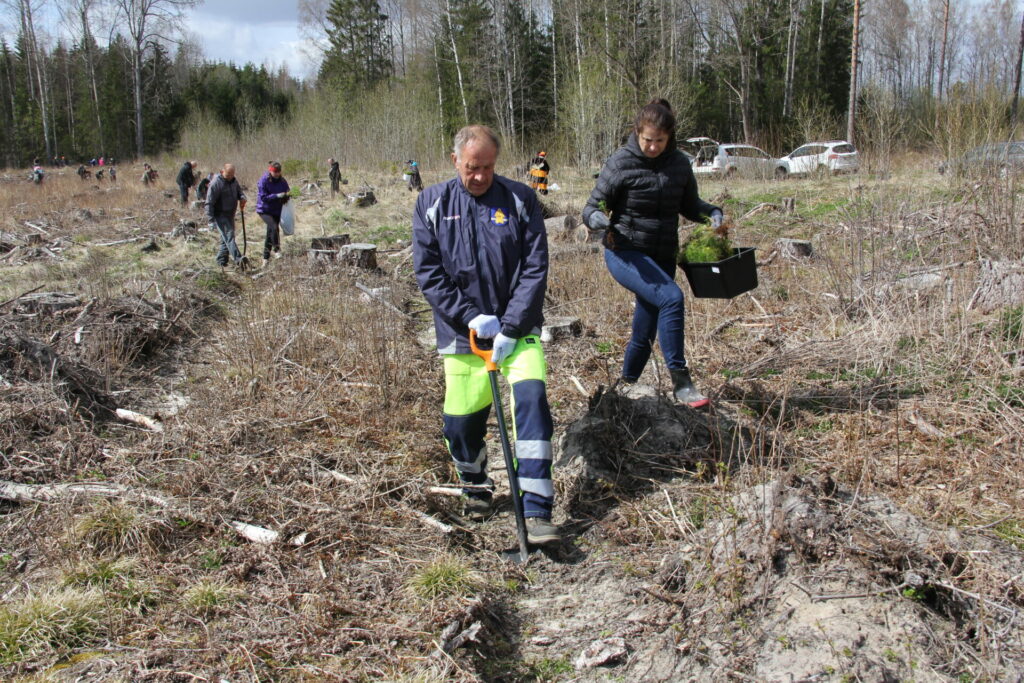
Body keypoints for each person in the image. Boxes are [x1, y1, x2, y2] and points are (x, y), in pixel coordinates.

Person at [412, 125, 559, 546]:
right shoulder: (431, 203)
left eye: (488, 167)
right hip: (462, 335)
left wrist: (511, 327)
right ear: (455, 161)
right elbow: (429, 273)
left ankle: (536, 509)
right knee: (460, 424)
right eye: (472, 168)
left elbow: (535, 267)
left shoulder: (520, 199)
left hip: (519, 328)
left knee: (531, 402)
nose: (480, 176)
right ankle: (475, 486)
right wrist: (470, 317)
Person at [581, 98, 722, 408]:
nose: (653, 147)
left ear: (669, 137)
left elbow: (689, 206)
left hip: (662, 256)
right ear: (637, 132)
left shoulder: (680, 164)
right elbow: (592, 207)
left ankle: (626, 386)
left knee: (645, 326)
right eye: (648, 140)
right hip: (625, 252)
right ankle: (682, 383)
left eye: (660, 141)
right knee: (671, 297)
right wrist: (598, 219)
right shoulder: (620, 162)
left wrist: (712, 213)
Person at [205, 163, 248, 271]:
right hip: (220, 215)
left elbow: (239, 192)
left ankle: (221, 261)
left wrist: (242, 197)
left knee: (225, 239)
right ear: (222, 171)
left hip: (230, 214)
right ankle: (239, 259)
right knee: (229, 236)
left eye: (232, 174)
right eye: (228, 174)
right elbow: (209, 202)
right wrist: (210, 220)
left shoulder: (233, 181)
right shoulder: (216, 183)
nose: (230, 176)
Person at [255, 161, 291, 265]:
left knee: (270, 234)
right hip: (264, 210)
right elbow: (263, 197)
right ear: (270, 171)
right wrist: (276, 196)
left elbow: (287, 190)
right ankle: (277, 250)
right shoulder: (264, 181)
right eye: (275, 172)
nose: (277, 174)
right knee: (274, 226)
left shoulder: (282, 181)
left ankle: (265, 259)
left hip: (277, 209)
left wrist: (288, 195)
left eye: (279, 172)